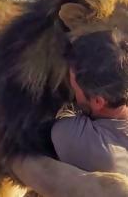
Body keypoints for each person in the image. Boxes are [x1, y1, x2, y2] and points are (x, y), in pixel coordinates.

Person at [40, 30, 128, 175]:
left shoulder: (76, 138)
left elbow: (61, 121)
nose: (73, 94)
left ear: (98, 101)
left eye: (75, 89)